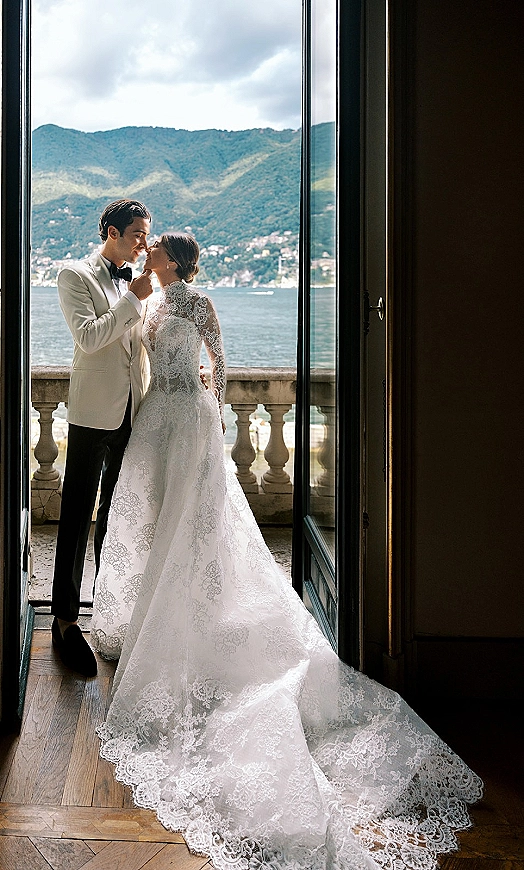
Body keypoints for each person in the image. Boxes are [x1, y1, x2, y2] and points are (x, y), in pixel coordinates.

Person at [90, 232, 483, 870]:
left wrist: (207, 405)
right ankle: (153, 611)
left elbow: (217, 359)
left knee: (194, 524)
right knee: (157, 523)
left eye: (158, 247)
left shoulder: (196, 303)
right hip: (155, 420)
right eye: (150, 243)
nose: (150, 250)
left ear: (177, 260)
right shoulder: (151, 302)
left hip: (185, 419)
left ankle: (193, 612)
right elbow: (135, 355)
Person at [50, 198, 154, 677]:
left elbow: (139, 341)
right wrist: (133, 298)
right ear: (111, 232)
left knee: (117, 517)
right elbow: (89, 338)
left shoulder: (135, 282)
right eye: (136, 234)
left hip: (134, 410)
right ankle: (66, 623)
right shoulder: (74, 275)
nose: (143, 242)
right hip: (94, 413)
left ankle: (108, 615)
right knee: (76, 515)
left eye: (146, 234)